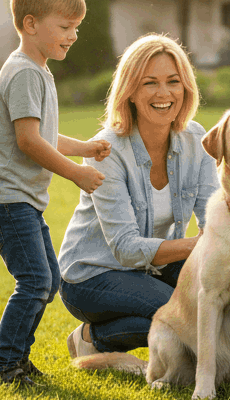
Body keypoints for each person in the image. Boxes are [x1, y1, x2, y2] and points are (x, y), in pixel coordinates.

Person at [0, 0, 113, 388]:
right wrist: (76, 174)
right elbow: (29, 142)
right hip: (3, 198)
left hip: (17, 199)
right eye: (65, 27)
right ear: (31, 24)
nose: (73, 35)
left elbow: (42, 134)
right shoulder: (26, 73)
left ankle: (17, 360)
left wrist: (84, 148)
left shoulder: (37, 71)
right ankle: (2, 368)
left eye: (77, 28)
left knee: (44, 279)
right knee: (35, 280)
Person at [58, 35, 218, 358]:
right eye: (150, 83)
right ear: (130, 91)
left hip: (149, 268)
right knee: (179, 317)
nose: (164, 93)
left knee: (212, 300)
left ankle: (95, 336)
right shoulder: (106, 150)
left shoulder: (196, 140)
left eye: (173, 82)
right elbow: (127, 249)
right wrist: (199, 244)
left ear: (186, 88)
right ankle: (93, 338)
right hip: (91, 275)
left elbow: (214, 217)